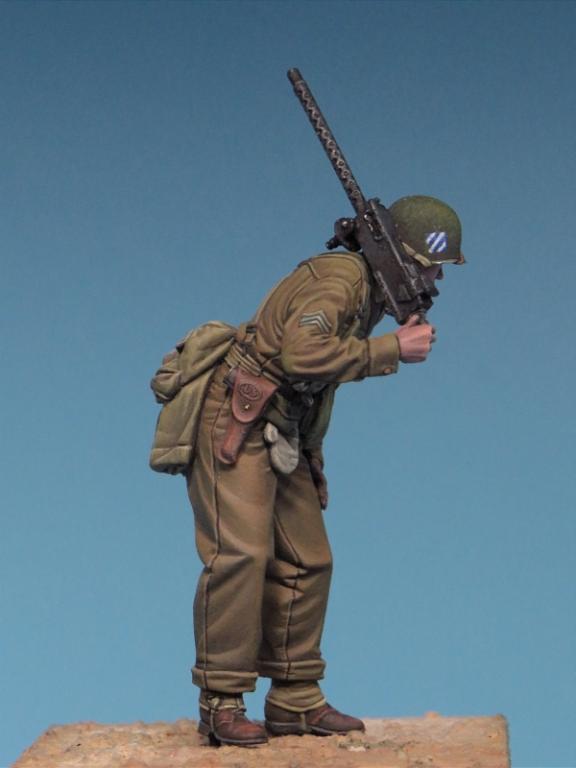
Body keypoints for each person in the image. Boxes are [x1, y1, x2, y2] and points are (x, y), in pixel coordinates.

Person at [176, 195, 464, 746]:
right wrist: (389, 349)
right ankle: (220, 701)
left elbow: (313, 386)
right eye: (431, 267)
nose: (436, 280)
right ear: (400, 259)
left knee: (309, 559)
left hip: (281, 425)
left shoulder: (367, 293)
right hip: (236, 420)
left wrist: (310, 452)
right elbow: (301, 358)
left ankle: (295, 697)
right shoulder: (339, 280)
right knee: (241, 556)